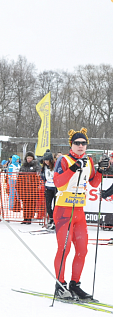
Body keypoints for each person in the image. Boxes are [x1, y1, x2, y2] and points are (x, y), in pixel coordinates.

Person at [53, 128, 105, 300]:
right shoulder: (63, 160)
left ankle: (75, 285)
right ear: (71, 145)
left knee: (82, 250)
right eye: (77, 143)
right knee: (65, 248)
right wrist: (74, 168)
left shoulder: (89, 160)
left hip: (79, 212)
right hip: (63, 212)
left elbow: (94, 183)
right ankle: (60, 285)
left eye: (83, 143)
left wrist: (101, 171)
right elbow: (59, 184)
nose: (81, 146)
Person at [16, 151, 41, 225]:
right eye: (28, 158)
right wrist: (18, 185)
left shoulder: (36, 165)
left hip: (32, 188)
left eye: (30, 158)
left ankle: (30, 218)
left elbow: (38, 175)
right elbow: (19, 176)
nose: (29, 159)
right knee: (25, 203)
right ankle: (25, 218)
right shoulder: (23, 166)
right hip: (24, 188)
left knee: (31, 203)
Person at [40, 150, 57, 229]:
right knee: (48, 205)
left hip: (56, 188)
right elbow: (43, 175)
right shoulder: (44, 167)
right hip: (48, 187)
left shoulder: (55, 166)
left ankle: (55, 220)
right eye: (45, 160)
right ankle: (51, 218)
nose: (46, 162)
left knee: (55, 205)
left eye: (47, 160)